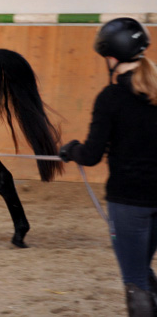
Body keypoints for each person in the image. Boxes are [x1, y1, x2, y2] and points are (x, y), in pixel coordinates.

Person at [59, 17, 157, 317]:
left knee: (135, 281)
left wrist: (70, 150)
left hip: (128, 201)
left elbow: (90, 155)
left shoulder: (111, 97)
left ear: (111, 58)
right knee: (143, 269)